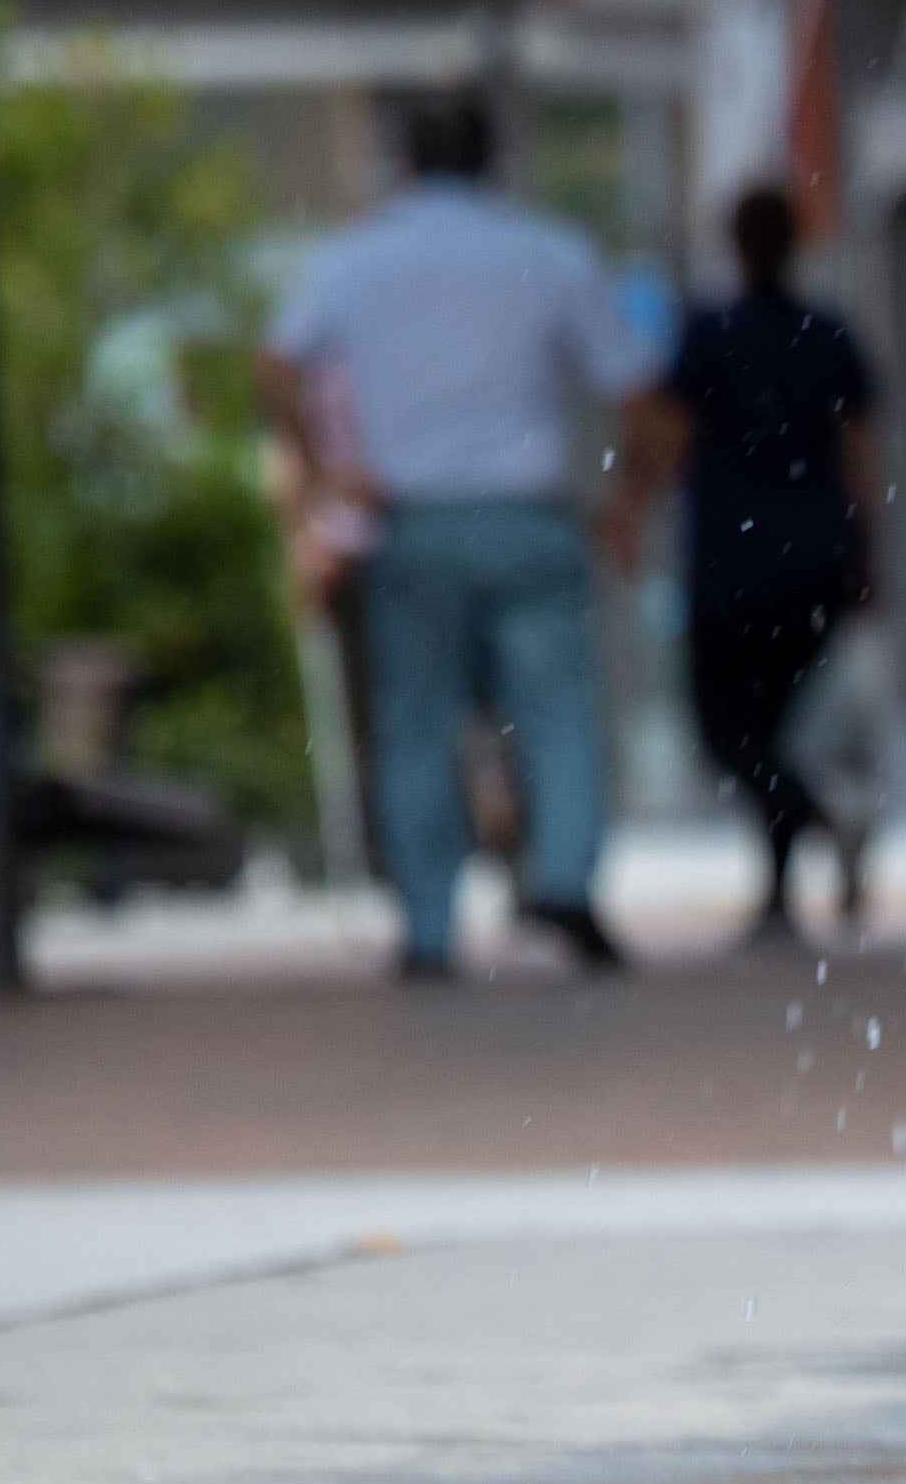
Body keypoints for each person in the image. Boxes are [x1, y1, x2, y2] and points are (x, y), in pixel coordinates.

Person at [261, 96, 656, 979]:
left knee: (414, 725)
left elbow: (277, 364)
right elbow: (636, 389)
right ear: (492, 158)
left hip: (415, 521)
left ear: (403, 161)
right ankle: (564, 880)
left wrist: (325, 473)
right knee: (557, 712)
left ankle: (430, 926)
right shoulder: (550, 252)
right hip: (529, 514)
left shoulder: (355, 261)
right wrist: (628, 498)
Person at [605, 187, 884, 941]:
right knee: (762, 734)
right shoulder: (827, 334)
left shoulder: (710, 334)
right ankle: (789, 871)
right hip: (812, 558)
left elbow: (666, 436)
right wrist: (865, 553)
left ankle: (809, 835)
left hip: (733, 563)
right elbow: (858, 457)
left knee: (729, 733)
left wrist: (628, 504)